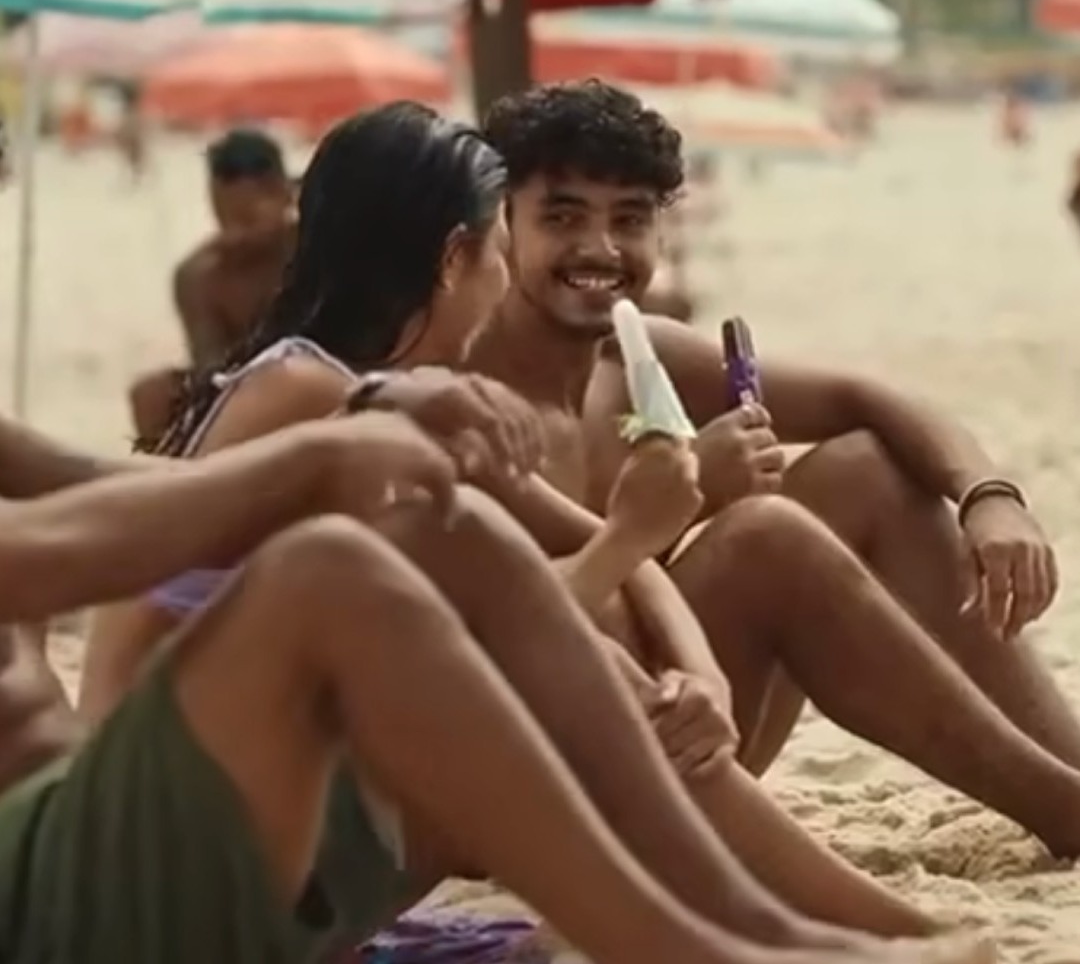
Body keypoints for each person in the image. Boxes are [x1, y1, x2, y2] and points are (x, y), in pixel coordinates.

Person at [81, 102, 970, 947]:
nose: (505, 282)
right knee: (569, 664)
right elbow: (491, 637)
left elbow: (586, 558)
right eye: (500, 254)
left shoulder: (382, 393)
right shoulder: (310, 394)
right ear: (454, 260)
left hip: (254, 822)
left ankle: (839, 928)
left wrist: (698, 671)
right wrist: (636, 531)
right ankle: (856, 933)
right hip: (186, 869)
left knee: (598, 657)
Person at [8, 413, 997, 964]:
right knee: (328, 576)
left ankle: (749, 924)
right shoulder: (302, 378)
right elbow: (43, 557)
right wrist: (318, 455)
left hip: (82, 830)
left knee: (457, 528)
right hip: (42, 904)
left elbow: (107, 487)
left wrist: (371, 425)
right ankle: (689, 951)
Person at [469, 78, 1080, 858]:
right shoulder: (466, 393)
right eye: (562, 217)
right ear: (499, 226)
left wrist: (989, 497)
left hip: (688, 723)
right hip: (535, 776)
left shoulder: (633, 358)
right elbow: (500, 629)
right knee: (763, 534)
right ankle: (1062, 807)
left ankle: (1069, 765)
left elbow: (867, 397)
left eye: (630, 219)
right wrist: (695, 499)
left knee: (866, 470)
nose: (600, 248)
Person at [128, 128, 296, 447]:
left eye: (247, 219)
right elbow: (211, 370)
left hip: (326, 380)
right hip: (241, 389)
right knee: (151, 396)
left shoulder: (315, 245)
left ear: (283, 194)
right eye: (225, 219)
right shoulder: (202, 276)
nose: (235, 233)